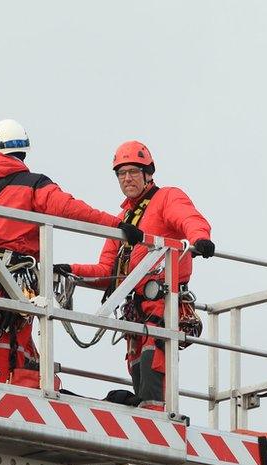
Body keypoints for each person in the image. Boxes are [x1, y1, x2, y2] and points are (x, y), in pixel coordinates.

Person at [0, 119, 143, 388]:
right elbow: (73, 210)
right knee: (13, 342)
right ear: (23, 153)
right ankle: (17, 388)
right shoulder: (33, 184)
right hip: (16, 282)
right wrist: (117, 225)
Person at [56, 140, 214, 409]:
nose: (127, 178)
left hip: (160, 306)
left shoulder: (167, 198)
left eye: (133, 171)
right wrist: (71, 271)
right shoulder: (124, 220)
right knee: (139, 368)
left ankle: (157, 418)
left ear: (148, 173)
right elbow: (107, 272)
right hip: (136, 314)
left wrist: (200, 239)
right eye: (121, 173)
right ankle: (148, 414)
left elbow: (190, 219)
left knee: (155, 366)